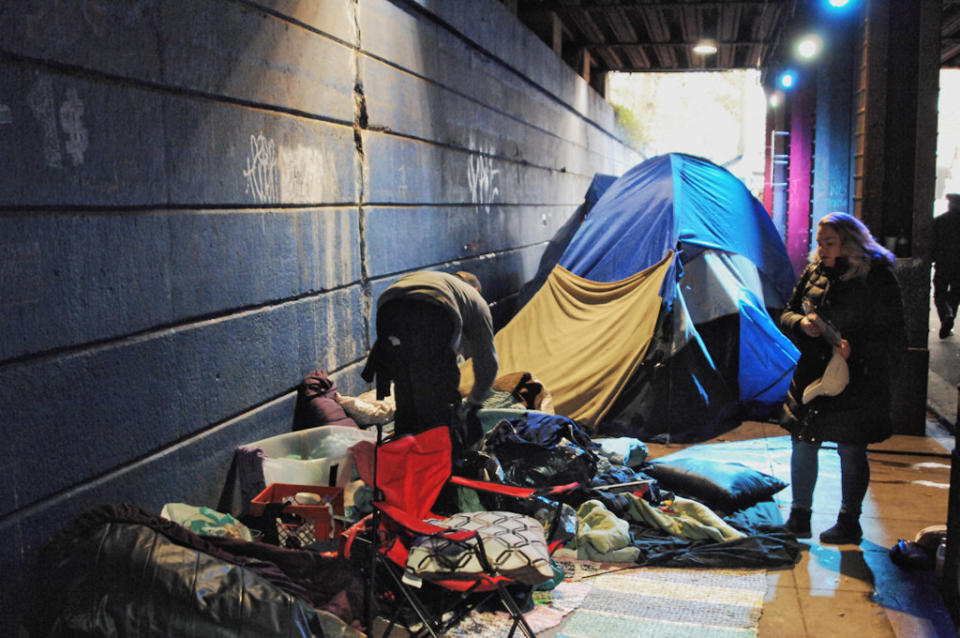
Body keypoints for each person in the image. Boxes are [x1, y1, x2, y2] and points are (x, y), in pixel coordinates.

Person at [780, 213, 906, 544]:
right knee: (803, 442)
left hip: (857, 380)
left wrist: (856, 348)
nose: (821, 249)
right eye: (819, 242)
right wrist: (800, 324)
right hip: (813, 374)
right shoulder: (814, 271)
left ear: (850, 242)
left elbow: (893, 333)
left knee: (851, 449)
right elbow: (788, 310)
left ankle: (849, 521)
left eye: (829, 243)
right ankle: (799, 515)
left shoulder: (876, 277)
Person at [361, 270, 498, 456]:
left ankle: (405, 454)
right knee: (441, 398)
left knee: (405, 390)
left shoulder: (443, 282)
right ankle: (441, 462)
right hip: (432, 308)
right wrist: (474, 402)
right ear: (475, 289)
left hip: (388, 307)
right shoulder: (476, 299)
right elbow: (487, 362)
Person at [932, 193, 960, 338]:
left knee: (939, 293)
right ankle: (950, 317)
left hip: (943, 264)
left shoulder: (939, 221)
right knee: (956, 294)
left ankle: (946, 315)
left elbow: (932, 243)